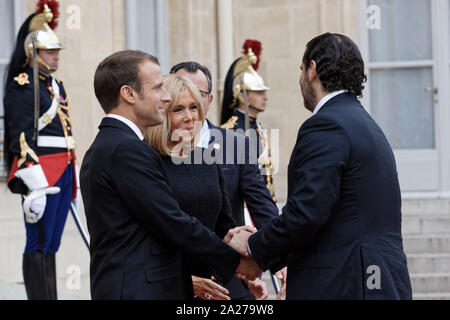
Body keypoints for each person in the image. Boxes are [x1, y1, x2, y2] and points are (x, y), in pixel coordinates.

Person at [226, 33, 413, 300]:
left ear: (313, 69)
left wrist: (253, 245)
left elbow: (306, 213)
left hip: (346, 281)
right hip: (378, 279)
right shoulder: (366, 124)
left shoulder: (326, 124)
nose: (300, 78)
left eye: (301, 70)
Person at [80, 50, 261, 300]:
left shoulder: (117, 145)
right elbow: (173, 222)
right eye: (157, 89)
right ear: (129, 94)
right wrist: (239, 263)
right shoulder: (126, 149)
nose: (165, 97)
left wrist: (234, 242)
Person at [145, 74, 266, 300]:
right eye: (178, 109)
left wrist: (248, 272)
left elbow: (224, 227)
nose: (190, 117)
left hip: (214, 286)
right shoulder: (147, 162)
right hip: (166, 287)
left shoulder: (206, 159)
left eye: (193, 107)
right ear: (162, 113)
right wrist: (187, 282)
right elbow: (156, 237)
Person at [170, 62, 282, 299]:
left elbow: (261, 205)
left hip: (231, 280)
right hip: (176, 280)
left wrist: (280, 259)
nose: (190, 107)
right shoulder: (152, 153)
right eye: (181, 92)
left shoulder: (236, 144)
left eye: (197, 95)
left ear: (209, 99)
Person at [3, 1, 77, 300]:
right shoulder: (23, 84)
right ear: (34, 52)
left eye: (57, 50)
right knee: (38, 242)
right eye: (50, 51)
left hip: (64, 168)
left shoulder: (54, 85)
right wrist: (32, 182)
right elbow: (20, 134)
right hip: (41, 171)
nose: (56, 55)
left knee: (52, 244)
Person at [220, 40, 277, 202]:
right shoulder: (228, 130)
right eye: (258, 92)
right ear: (241, 94)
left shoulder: (259, 128)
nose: (264, 97)